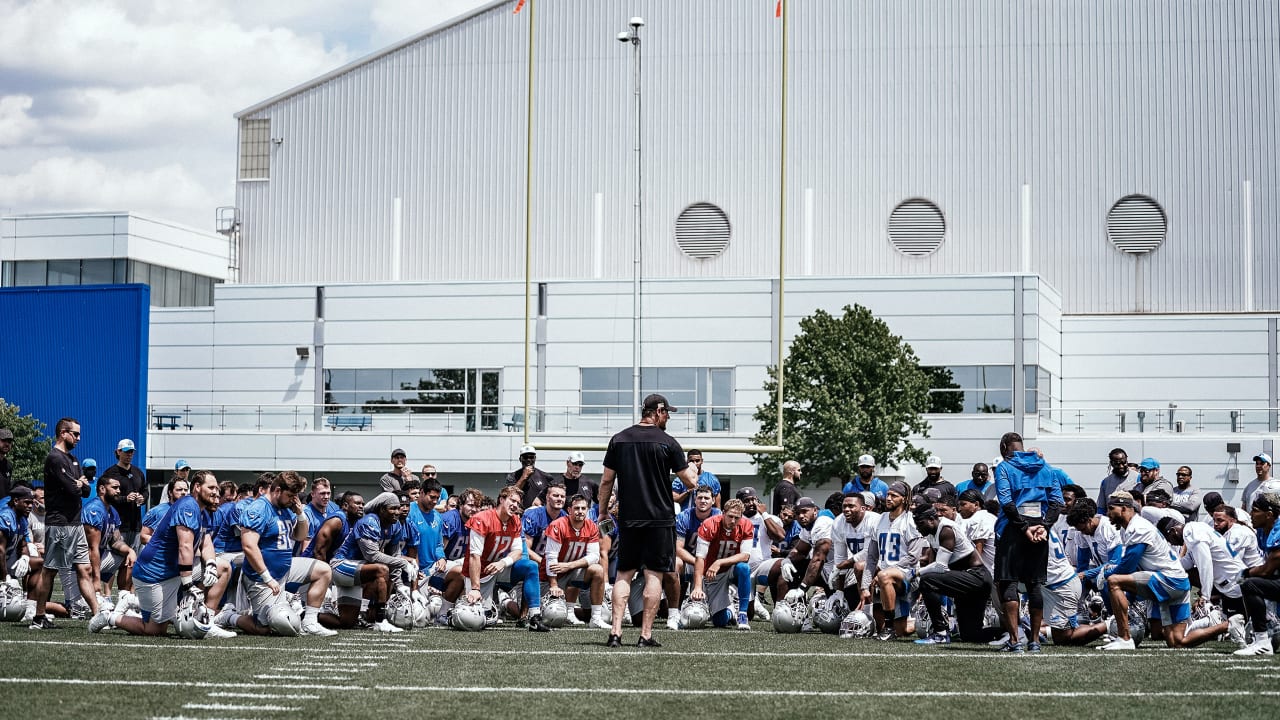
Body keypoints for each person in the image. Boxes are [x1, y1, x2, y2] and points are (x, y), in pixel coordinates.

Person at [597, 393, 698, 648]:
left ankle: (615, 633)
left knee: (623, 574)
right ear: (659, 411)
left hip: (629, 520)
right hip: (660, 521)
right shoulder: (667, 442)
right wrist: (694, 468)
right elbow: (691, 482)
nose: (669, 418)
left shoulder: (618, 439)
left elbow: (607, 481)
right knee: (654, 576)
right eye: (668, 413)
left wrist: (601, 512)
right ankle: (645, 636)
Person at [103, 469, 233, 638]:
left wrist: (210, 564)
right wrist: (188, 584)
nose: (216, 492)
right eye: (211, 487)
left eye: (217, 488)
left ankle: (208, 620)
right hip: (155, 574)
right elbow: (184, 546)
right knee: (154, 630)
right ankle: (110, 617)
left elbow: (206, 541)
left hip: (174, 570)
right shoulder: (188, 506)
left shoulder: (204, 509)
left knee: (222, 567)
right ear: (197, 487)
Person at [236, 471, 336, 636]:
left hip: (286, 569)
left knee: (324, 570)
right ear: (277, 490)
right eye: (290, 495)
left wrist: (300, 514)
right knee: (269, 627)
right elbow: (249, 546)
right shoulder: (259, 508)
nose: (293, 499)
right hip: (262, 577)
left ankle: (310, 622)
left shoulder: (286, 508)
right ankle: (229, 616)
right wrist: (267, 578)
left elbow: (300, 535)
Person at [992, 431, 1064, 652]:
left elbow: (1006, 501)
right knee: (1034, 584)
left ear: (1004, 448)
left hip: (1013, 529)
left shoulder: (1005, 466)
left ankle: (1014, 641)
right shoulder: (1045, 466)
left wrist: (1024, 528)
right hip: (1040, 530)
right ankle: (1034, 641)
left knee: (1009, 582)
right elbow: (1057, 502)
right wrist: (1044, 526)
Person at [1096, 492, 1193, 651]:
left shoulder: (1138, 527)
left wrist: (1105, 575)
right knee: (1176, 642)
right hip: (1177, 582)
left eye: (1111, 508)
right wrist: (1129, 599)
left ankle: (1124, 639)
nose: (1107, 514)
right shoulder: (1129, 528)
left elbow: (1127, 568)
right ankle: (1226, 625)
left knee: (1113, 580)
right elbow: (1135, 568)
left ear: (1125, 509)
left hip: (1169, 581)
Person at [30, 418, 98, 630]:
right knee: (50, 570)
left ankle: (98, 615)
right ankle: (38, 617)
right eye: (75, 434)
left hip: (74, 523)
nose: (78, 438)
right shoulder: (55, 458)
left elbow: (84, 490)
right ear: (63, 433)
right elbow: (72, 489)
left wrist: (78, 483)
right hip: (60, 524)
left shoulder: (73, 460)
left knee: (84, 569)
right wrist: (77, 483)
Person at [463, 485, 549, 632]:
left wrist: (503, 562)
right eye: (512, 500)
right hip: (480, 572)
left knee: (530, 566)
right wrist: (475, 588)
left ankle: (535, 617)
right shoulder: (482, 518)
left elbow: (518, 552)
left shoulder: (515, 520)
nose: (515, 505)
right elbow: (474, 556)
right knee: (476, 621)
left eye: (518, 503)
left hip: (499, 567)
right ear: (501, 499)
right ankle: (454, 615)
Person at [910, 497, 993, 644]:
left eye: (920, 523)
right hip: (965, 578)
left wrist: (914, 573)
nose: (917, 528)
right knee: (971, 635)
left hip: (976, 577)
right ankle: (1013, 632)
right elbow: (935, 563)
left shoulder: (946, 530)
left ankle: (940, 633)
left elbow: (941, 566)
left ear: (931, 519)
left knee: (927, 579)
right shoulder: (931, 533)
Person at [330, 491, 410, 632]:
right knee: (382, 569)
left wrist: (399, 584)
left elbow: (395, 557)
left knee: (347, 622)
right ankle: (380, 620)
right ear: (381, 509)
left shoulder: (396, 526)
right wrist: (404, 564)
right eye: (392, 508)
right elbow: (372, 556)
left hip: (359, 571)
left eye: (398, 508)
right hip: (341, 566)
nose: (397, 512)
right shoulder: (369, 521)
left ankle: (308, 614)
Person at [1155, 516, 1240, 646]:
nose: (1171, 543)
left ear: (1173, 531)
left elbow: (1205, 564)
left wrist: (1205, 596)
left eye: (1169, 539)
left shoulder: (1192, 533)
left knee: (1187, 634)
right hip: (1230, 580)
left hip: (1232, 585)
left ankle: (1219, 621)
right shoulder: (1195, 528)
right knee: (1181, 574)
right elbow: (1186, 563)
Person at [862, 481, 923, 640]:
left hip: (908, 575)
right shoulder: (880, 519)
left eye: (893, 496)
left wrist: (886, 571)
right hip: (886, 577)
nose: (888, 498)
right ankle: (916, 622)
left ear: (904, 499)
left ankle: (889, 629)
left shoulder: (911, 520)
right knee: (901, 631)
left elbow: (913, 557)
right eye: (888, 494)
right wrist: (864, 586)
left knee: (884, 576)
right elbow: (872, 556)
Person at [543, 493, 608, 628]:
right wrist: (553, 584)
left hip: (568, 570)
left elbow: (594, 556)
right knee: (549, 616)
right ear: (569, 510)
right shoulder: (558, 525)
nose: (580, 512)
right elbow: (551, 558)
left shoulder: (591, 526)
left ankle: (595, 619)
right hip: (548, 576)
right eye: (577, 508)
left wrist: (569, 565)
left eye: (583, 508)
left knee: (597, 569)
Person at [689, 498, 754, 629]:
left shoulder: (746, 525)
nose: (733, 521)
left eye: (737, 517)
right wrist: (697, 587)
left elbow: (745, 555)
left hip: (730, 569)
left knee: (744, 568)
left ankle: (742, 614)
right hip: (712, 573)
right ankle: (731, 612)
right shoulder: (710, 524)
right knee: (719, 621)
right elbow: (700, 558)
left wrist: (719, 562)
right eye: (730, 516)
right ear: (723, 513)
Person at [1235, 491, 1280, 655]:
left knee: (1250, 584)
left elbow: (1267, 569)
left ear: (1269, 514)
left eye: (1254, 510)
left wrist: (1245, 572)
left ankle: (1262, 642)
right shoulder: (1263, 531)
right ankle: (1269, 625)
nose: (1250, 514)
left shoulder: (1278, 531)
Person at [81, 476, 136, 598]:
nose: (118, 491)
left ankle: (124, 599)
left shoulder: (112, 511)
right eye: (115, 487)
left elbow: (115, 542)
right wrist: (96, 581)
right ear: (102, 489)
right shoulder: (94, 510)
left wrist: (130, 551)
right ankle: (33, 605)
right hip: (82, 561)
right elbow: (91, 548)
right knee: (75, 610)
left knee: (130, 559)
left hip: (98, 556)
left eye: (119, 488)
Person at [828, 492, 880, 611]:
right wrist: (839, 590)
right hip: (861, 567)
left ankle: (866, 611)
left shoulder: (875, 520)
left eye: (851, 506)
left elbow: (869, 553)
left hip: (882, 562)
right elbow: (840, 557)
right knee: (858, 566)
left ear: (863, 508)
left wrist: (841, 566)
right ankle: (866, 611)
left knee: (860, 566)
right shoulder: (838, 522)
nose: (846, 509)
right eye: (844, 506)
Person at [98, 438, 147, 550]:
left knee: (133, 560)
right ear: (118, 452)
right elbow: (105, 498)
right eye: (126, 451)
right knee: (118, 558)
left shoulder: (138, 472)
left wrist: (142, 498)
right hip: (118, 525)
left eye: (131, 452)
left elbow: (145, 490)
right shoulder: (110, 473)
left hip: (136, 526)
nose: (129, 454)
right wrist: (126, 499)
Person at [523, 482, 567, 569]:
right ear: (547, 497)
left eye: (562, 496)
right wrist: (544, 563)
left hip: (553, 564)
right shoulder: (533, 515)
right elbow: (525, 549)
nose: (559, 499)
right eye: (556, 495)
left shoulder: (566, 518)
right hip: (533, 563)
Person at [1212, 504, 1262, 569]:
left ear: (1232, 521)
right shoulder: (1226, 531)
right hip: (1242, 571)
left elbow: (1231, 560)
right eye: (1214, 520)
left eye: (1220, 520)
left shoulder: (1239, 533)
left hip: (1253, 572)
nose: (1215, 524)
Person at [300, 477, 341, 555]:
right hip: (314, 556)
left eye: (328, 493)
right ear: (313, 494)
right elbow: (306, 548)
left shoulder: (334, 507)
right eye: (322, 493)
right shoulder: (306, 514)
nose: (326, 497)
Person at [505, 445, 554, 509]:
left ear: (535, 458)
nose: (528, 460)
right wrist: (523, 478)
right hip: (519, 514)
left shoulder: (546, 476)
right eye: (525, 457)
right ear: (520, 459)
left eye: (531, 457)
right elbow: (510, 495)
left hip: (539, 515)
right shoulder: (512, 476)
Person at [1096, 448, 1137, 514]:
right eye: (1117, 464)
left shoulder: (1137, 477)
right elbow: (1101, 508)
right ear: (1112, 463)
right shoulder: (1105, 482)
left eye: (1123, 463)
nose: (1121, 466)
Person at [0, 428, 13, 500]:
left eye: (9, 441)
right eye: (3, 440)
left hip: (4, 508)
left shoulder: (8, 465)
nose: (7, 444)